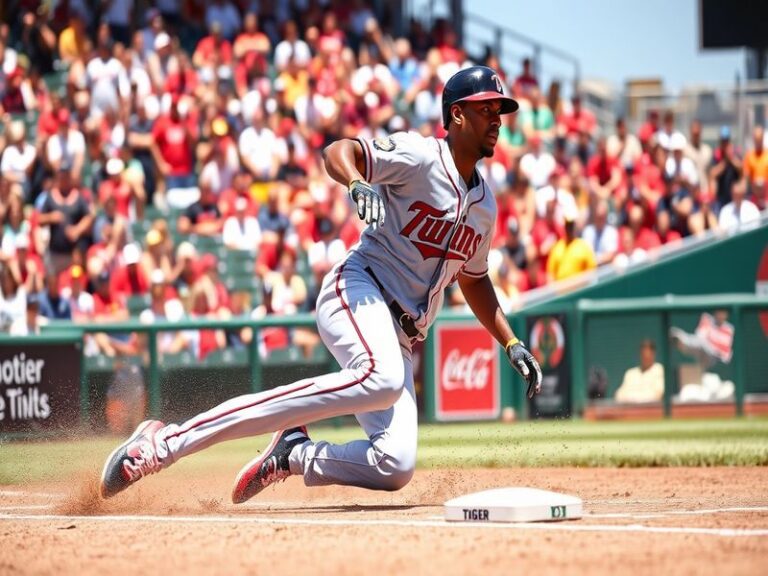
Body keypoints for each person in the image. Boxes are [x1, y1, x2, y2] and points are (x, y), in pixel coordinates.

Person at [99, 65, 542, 503]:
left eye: (500, 111)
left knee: (395, 463)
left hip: (402, 335)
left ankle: (294, 453)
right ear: (457, 114)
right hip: (359, 290)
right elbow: (338, 150)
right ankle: (164, 443)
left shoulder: (485, 206)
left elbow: (474, 278)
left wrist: (511, 342)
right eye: (486, 109)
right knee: (384, 378)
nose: (497, 120)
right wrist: (357, 182)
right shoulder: (420, 155)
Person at [614, 339, 664, 403]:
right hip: (631, 408)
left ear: (653, 355)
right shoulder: (630, 373)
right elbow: (619, 395)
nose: (645, 359)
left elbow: (657, 396)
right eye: (643, 356)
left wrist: (631, 397)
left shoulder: (659, 369)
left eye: (648, 357)